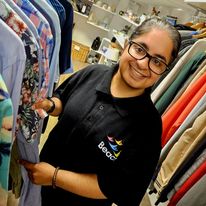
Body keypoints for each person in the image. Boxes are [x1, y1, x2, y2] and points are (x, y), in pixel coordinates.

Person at [19, 17, 181, 206]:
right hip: (34, 189)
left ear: (164, 70)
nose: (143, 64)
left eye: (158, 61)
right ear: (126, 45)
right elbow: (64, 99)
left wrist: (54, 177)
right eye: (140, 49)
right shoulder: (93, 73)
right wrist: (50, 105)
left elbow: (117, 186)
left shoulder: (148, 126)